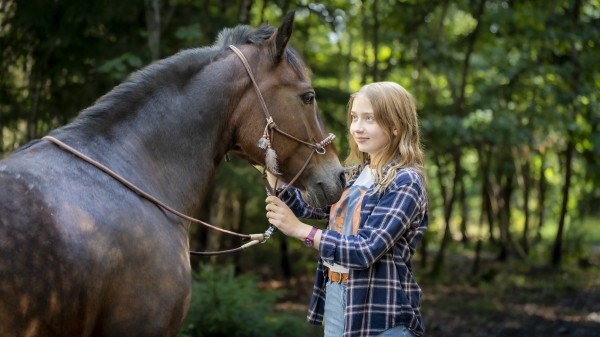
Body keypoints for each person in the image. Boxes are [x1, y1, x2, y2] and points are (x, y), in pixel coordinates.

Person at [265, 81, 429, 337]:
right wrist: (270, 166)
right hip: (335, 292)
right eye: (354, 117)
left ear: (396, 126)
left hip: (379, 306)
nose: (357, 128)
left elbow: (367, 249)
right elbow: (306, 204)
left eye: (369, 119)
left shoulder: (405, 181)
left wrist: (301, 231)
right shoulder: (353, 175)